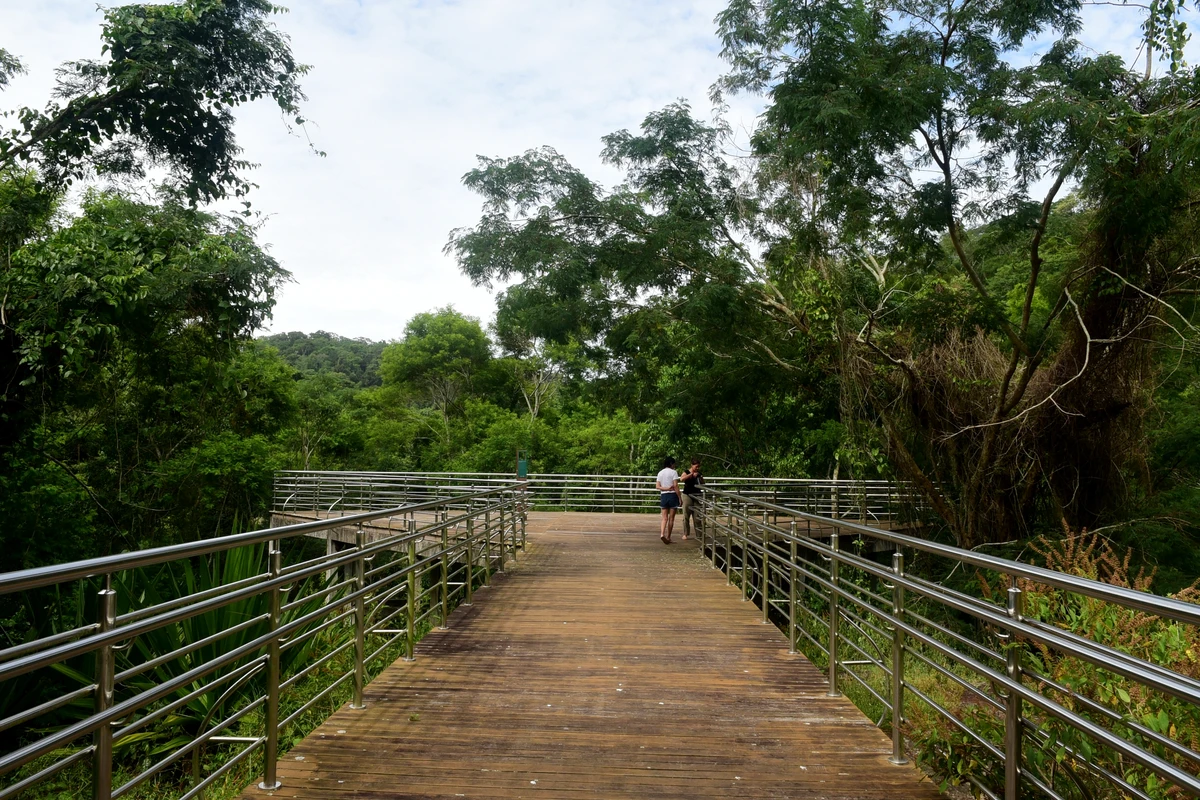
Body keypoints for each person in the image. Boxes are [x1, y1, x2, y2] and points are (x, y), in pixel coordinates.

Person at [655, 456, 682, 544]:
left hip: (664, 496)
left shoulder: (660, 473)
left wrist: (666, 488)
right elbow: (675, 486)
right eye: (674, 464)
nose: (675, 465)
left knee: (664, 518)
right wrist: (680, 497)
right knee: (671, 519)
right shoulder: (673, 472)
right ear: (671, 464)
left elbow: (657, 487)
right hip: (672, 496)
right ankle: (668, 537)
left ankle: (662, 534)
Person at [680, 457, 704, 540]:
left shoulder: (699, 473)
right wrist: (691, 474)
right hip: (687, 495)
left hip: (697, 495)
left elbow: (703, 483)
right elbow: (681, 478)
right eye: (696, 466)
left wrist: (700, 477)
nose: (697, 468)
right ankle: (686, 533)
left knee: (697, 516)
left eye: (698, 466)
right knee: (686, 515)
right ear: (692, 465)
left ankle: (699, 535)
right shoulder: (686, 472)